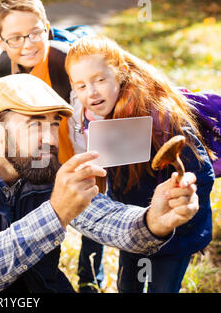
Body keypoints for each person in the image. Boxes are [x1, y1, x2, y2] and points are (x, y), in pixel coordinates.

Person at [0, 74, 200, 293]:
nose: (50, 139)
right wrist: (55, 213)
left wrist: (152, 221)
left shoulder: (43, 168)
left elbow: (107, 219)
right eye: (35, 125)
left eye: (53, 125)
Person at [65, 35, 215, 293]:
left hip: (174, 233)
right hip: (134, 225)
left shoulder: (159, 116)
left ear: (120, 72)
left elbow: (203, 172)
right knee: (127, 286)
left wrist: (181, 200)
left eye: (100, 79)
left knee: (162, 288)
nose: (91, 92)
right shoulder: (94, 116)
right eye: (81, 86)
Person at [0, 0, 103, 292]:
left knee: (91, 206)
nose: (27, 44)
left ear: (48, 29)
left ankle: (90, 277)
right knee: (50, 213)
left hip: (79, 149)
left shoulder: (67, 64)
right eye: (15, 38)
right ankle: (40, 275)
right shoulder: (3, 66)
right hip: (44, 156)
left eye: (35, 33)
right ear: (1, 42)